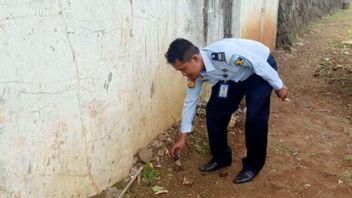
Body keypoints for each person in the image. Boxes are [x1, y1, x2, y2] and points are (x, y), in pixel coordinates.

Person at [164, 38, 288, 184]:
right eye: (179, 71)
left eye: (183, 69)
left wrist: (278, 85)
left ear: (195, 58)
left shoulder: (225, 54)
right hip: (231, 76)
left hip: (258, 70)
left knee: (255, 117)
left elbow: (257, 63)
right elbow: (190, 101)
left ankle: (253, 166)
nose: (183, 74)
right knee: (214, 112)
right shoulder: (196, 73)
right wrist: (183, 136)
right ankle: (220, 158)